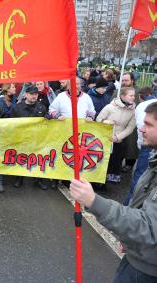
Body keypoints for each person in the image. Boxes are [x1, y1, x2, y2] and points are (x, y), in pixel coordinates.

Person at [69, 101, 157, 283]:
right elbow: (140, 205)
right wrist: (130, 241)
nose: (141, 129)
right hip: (139, 257)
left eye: (148, 124)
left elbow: (149, 228)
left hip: (147, 270)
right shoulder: (153, 159)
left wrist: (94, 201)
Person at [11, 84, 48, 189]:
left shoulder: (42, 107)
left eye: (36, 94)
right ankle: (19, 179)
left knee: (38, 159)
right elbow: (11, 123)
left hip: (37, 139)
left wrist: (48, 118)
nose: (34, 96)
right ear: (26, 94)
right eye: (31, 94)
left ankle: (38, 180)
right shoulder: (17, 108)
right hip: (22, 139)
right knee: (21, 159)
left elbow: (45, 124)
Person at [96, 87, 136, 184]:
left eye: (134, 95)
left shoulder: (133, 111)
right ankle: (97, 182)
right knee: (101, 162)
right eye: (131, 95)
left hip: (118, 141)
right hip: (104, 140)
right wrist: (106, 122)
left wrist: (118, 137)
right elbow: (98, 120)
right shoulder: (110, 107)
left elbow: (130, 128)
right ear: (122, 96)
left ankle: (107, 182)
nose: (133, 98)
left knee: (114, 163)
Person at [124, 87, 156, 205]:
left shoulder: (141, 107)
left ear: (140, 97)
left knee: (140, 176)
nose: (142, 128)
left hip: (147, 146)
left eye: (147, 124)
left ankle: (130, 204)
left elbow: (140, 129)